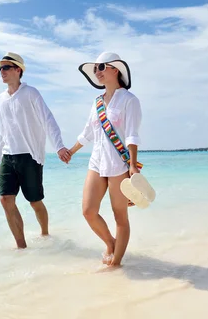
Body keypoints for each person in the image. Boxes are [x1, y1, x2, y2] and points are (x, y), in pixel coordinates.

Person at [68, 52, 142, 267]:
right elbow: (88, 133)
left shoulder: (130, 100)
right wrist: (70, 152)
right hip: (97, 162)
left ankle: (116, 264)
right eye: (95, 69)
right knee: (88, 211)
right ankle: (110, 242)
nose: (97, 71)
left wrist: (133, 166)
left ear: (114, 69)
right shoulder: (97, 102)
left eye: (101, 67)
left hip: (119, 164)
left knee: (120, 216)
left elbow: (132, 134)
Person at [0, 52, 71, 249]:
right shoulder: (0, 99)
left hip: (30, 156)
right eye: (0, 68)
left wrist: (59, 146)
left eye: (6, 67)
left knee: (35, 202)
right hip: (8, 157)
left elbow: (48, 119)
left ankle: (45, 233)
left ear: (18, 70)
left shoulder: (31, 93)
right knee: (5, 199)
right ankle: (22, 247)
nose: (2, 71)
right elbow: (3, 131)